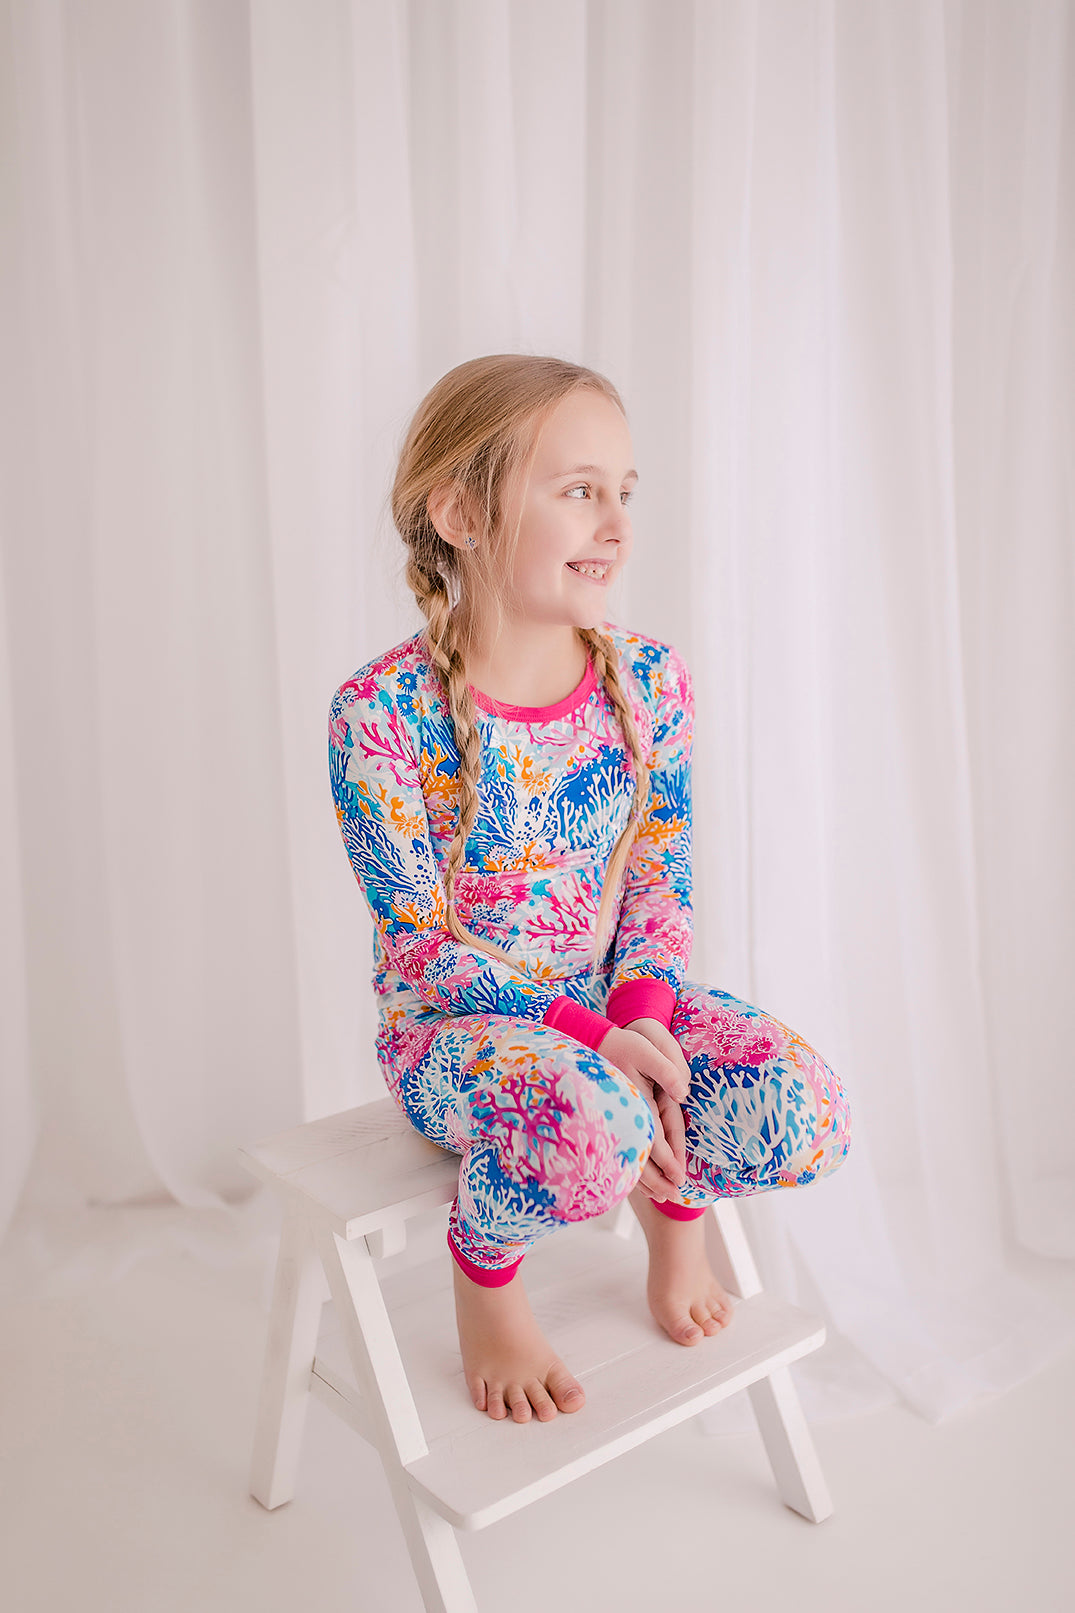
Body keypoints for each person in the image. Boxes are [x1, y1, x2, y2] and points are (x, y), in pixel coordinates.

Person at [327, 354, 852, 1427]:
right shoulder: (379, 714)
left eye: (624, 490)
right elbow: (422, 948)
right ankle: (486, 1274)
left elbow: (661, 875)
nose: (614, 522)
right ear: (461, 512)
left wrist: (641, 1017)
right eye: (577, 490)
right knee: (593, 1120)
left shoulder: (648, 678)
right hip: (455, 1028)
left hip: (610, 1006)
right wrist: (581, 1032)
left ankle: (678, 1202)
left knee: (804, 1111)